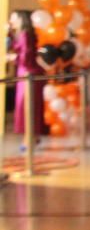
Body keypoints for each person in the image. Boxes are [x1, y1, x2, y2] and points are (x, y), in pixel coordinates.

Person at [7, 11, 45, 139]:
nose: (11, 21)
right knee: (26, 105)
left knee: (26, 106)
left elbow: (26, 55)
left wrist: (14, 58)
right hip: (24, 72)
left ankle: (29, 137)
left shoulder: (25, 34)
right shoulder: (19, 34)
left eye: (13, 18)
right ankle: (32, 137)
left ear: (20, 19)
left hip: (29, 72)